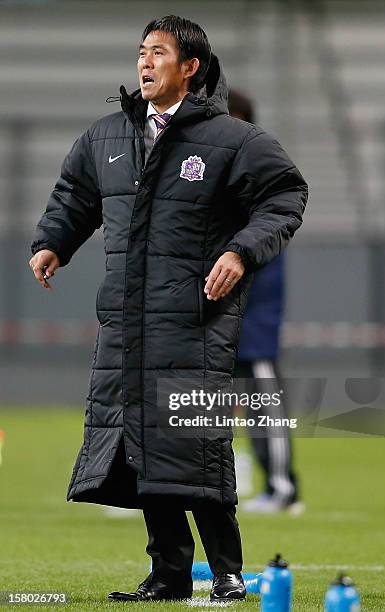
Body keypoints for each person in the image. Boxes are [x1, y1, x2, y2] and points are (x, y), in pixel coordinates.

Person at [29, 15, 308, 603]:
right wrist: (53, 241)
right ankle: (169, 575)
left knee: (198, 446)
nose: (145, 63)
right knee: (142, 445)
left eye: (158, 52)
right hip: (128, 325)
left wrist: (239, 251)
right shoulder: (106, 137)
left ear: (191, 68)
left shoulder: (234, 140)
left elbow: (286, 194)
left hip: (195, 321)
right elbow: (75, 195)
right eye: (140, 52)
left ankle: (228, 573)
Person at [228, 90, 303, 515]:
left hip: (253, 318)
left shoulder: (259, 169)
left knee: (264, 409)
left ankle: (282, 488)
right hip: (220, 315)